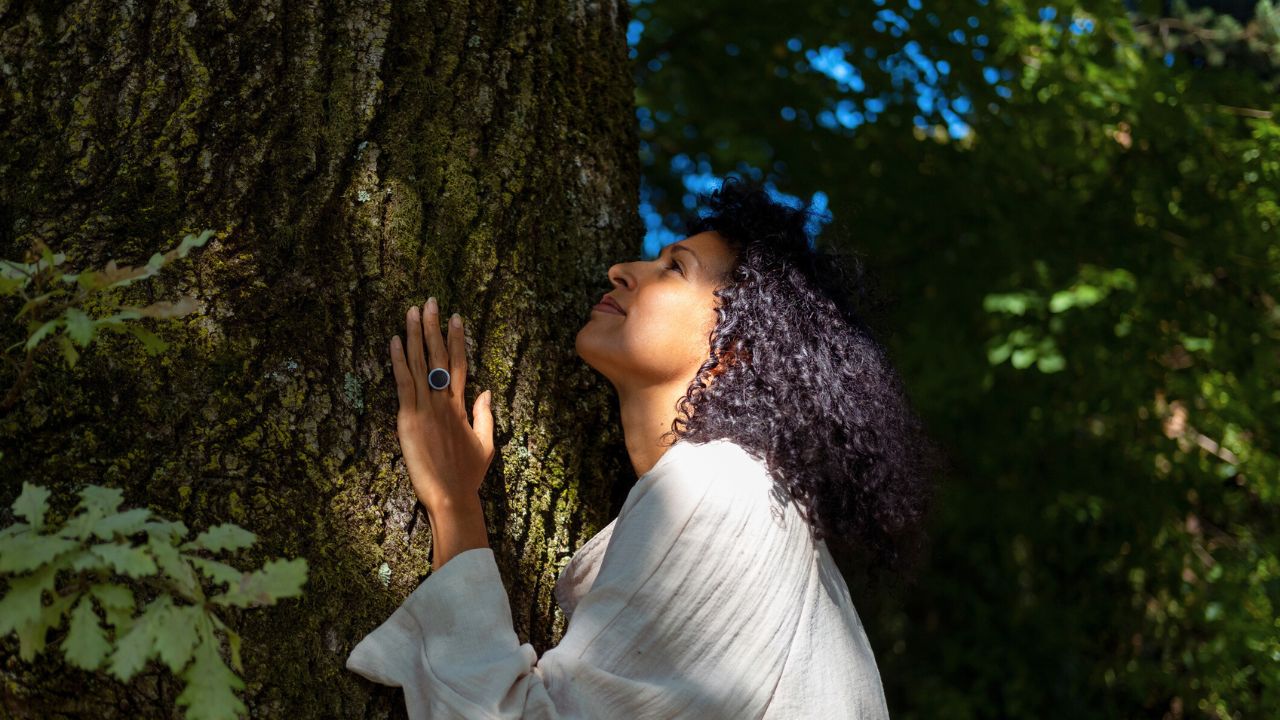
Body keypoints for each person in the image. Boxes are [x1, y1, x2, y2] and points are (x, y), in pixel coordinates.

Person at [345, 177, 942, 718]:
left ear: (736, 349)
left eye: (675, 268)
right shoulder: (756, 507)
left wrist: (455, 506)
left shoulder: (721, 490)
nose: (622, 269)